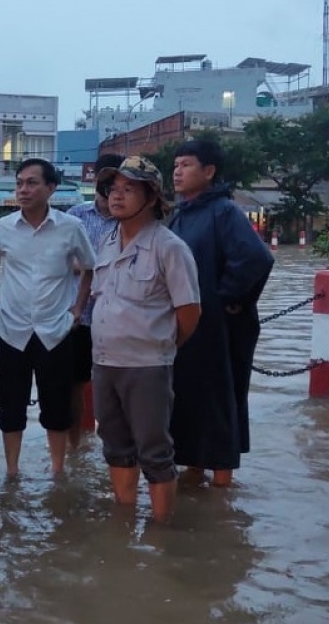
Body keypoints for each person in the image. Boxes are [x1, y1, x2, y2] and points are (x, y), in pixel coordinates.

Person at [90, 157, 201, 522]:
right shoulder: (106, 241)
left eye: (128, 189)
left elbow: (189, 312)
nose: (116, 197)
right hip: (105, 364)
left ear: (151, 196)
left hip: (147, 366)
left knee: (155, 452)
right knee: (116, 447)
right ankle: (124, 520)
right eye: (112, 189)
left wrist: (162, 348)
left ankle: (160, 530)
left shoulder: (169, 247)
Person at [167, 139, 274, 488]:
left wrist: (226, 298)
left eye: (186, 165)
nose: (177, 172)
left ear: (208, 171)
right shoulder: (181, 214)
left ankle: (222, 485)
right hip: (185, 326)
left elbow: (255, 259)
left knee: (217, 398)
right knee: (185, 396)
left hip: (217, 327)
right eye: (176, 166)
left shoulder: (224, 212)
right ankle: (193, 471)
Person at [0, 158, 96, 477]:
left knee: (57, 407)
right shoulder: (2, 228)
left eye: (32, 183)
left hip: (55, 330)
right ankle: (12, 471)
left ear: (51, 188)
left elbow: (90, 266)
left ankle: (58, 471)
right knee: (9, 407)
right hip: (11, 330)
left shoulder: (71, 228)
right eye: (19, 183)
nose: (23, 189)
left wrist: (77, 309)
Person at [65, 152, 124, 448]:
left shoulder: (131, 220)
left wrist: (90, 265)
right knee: (74, 386)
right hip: (78, 317)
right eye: (107, 182)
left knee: (116, 386)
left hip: (118, 319)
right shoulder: (75, 216)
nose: (112, 190)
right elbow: (59, 260)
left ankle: (115, 452)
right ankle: (76, 451)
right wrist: (96, 265)